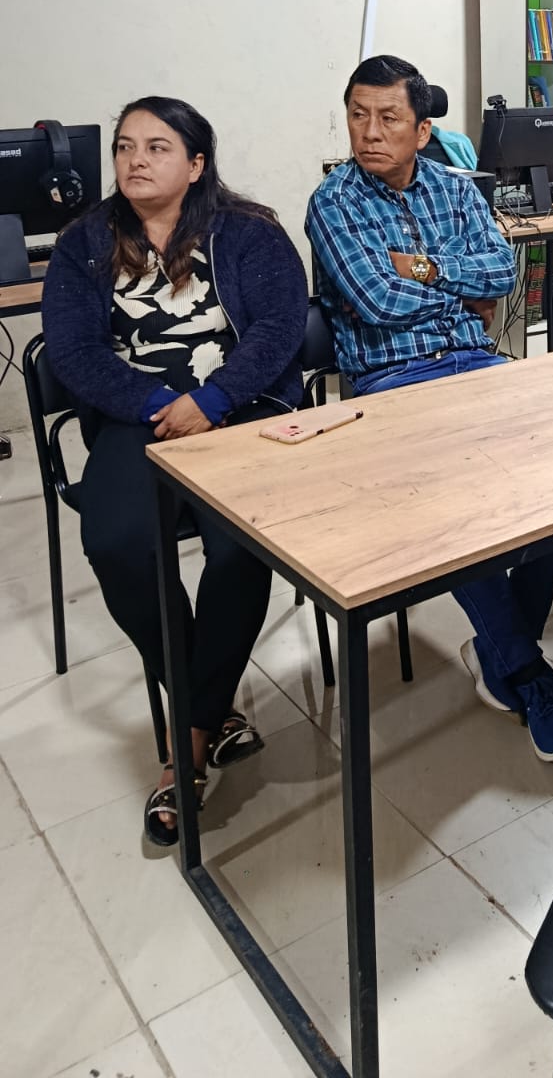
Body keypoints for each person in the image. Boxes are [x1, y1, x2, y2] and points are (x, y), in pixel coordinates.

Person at [41, 97, 308, 845]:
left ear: (195, 164)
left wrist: (215, 399)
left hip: (240, 411)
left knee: (241, 548)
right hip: (141, 418)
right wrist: (164, 403)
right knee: (116, 542)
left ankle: (186, 741)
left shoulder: (249, 231)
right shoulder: (84, 242)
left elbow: (281, 328)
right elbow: (75, 352)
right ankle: (211, 707)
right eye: (125, 146)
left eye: (157, 147)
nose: (134, 160)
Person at [305, 55, 553, 761]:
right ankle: (526, 671)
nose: (370, 132)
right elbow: (377, 300)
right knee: (463, 514)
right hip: (392, 380)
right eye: (358, 116)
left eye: (388, 118)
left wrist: (426, 269)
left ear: (422, 130)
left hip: (476, 365)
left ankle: (498, 649)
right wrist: (459, 296)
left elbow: (502, 272)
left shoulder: (455, 190)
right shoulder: (333, 203)